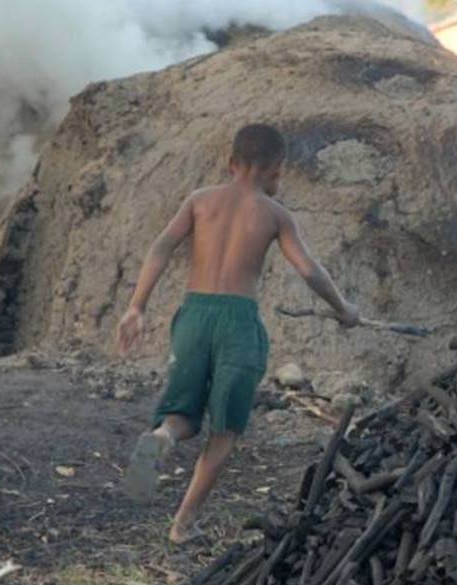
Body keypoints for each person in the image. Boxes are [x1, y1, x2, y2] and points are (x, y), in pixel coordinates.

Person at [116, 124, 359, 544]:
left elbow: (161, 247)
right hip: (238, 322)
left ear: (232, 163)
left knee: (182, 414)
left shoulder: (199, 201)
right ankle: (183, 524)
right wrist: (343, 309)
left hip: (193, 315)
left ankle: (161, 437)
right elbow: (308, 269)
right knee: (225, 428)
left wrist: (136, 306)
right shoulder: (274, 213)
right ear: (276, 169)